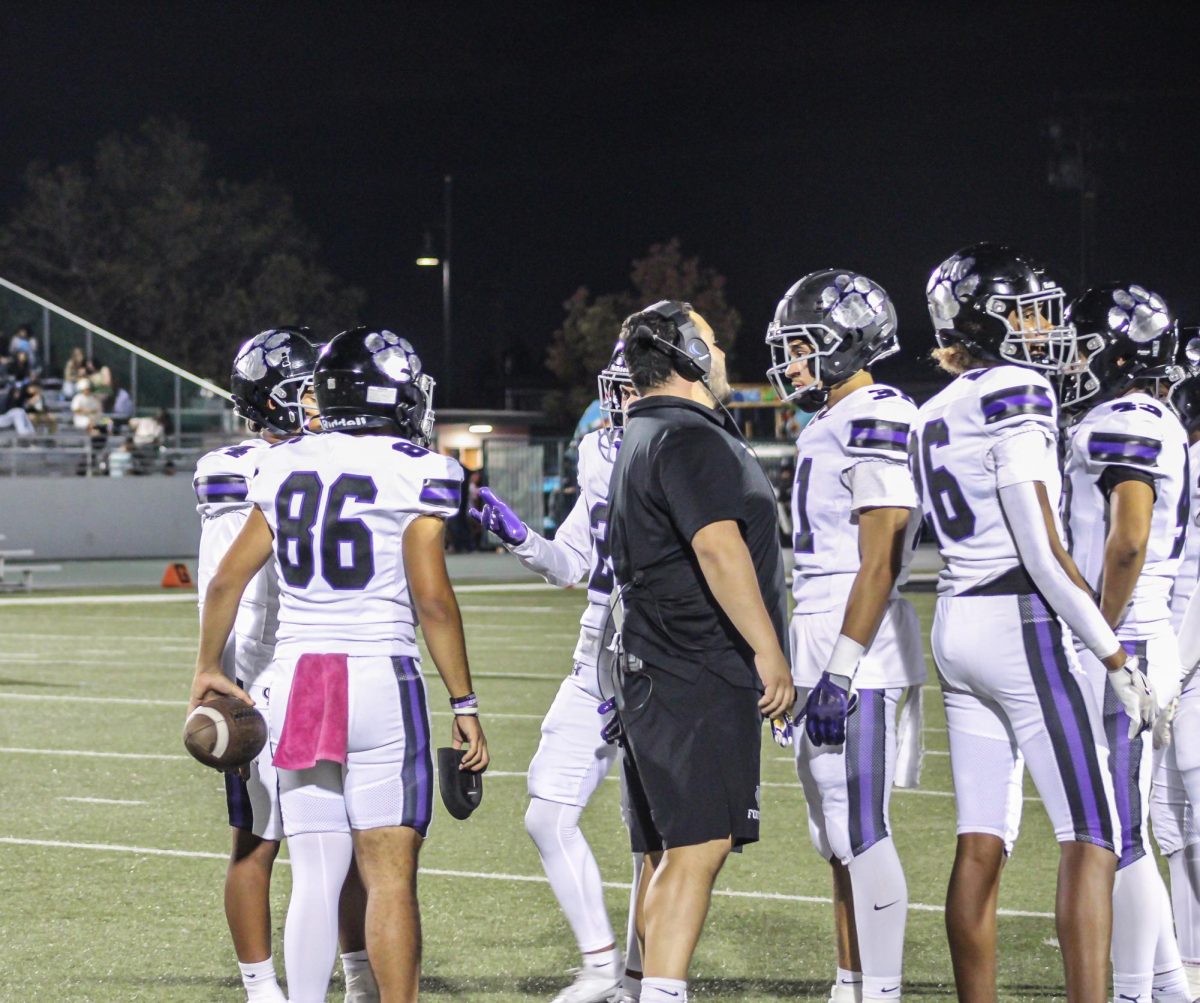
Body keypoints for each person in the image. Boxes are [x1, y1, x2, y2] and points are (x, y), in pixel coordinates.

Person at [190, 327, 488, 1003]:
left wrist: (207, 667)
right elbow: (434, 603)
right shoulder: (420, 468)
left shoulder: (279, 463)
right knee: (387, 873)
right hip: (379, 672)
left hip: (299, 676)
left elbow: (225, 583)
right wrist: (464, 703)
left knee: (317, 872)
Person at [917, 243, 1154, 1002]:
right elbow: (1042, 547)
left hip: (955, 620)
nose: (1040, 324)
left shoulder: (933, 408)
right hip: (1017, 616)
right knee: (1095, 830)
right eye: (1024, 307)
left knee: (982, 836)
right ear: (991, 317)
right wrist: (1116, 657)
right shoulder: (1016, 388)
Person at [606, 301, 794, 1003]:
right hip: (694, 667)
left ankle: (645, 989)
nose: (719, 354)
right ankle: (660, 992)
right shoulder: (687, 436)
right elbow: (718, 547)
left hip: (657, 668)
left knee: (669, 854)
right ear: (686, 353)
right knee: (697, 848)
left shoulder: (644, 431)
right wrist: (769, 650)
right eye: (710, 342)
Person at [192, 327, 375, 1003]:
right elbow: (224, 586)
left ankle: (356, 969)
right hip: (266, 674)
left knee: (352, 831)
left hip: (328, 669)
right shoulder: (236, 469)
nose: (319, 402)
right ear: (270, 401)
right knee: (258, 837)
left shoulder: (329, 456)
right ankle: (263, 986)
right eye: (305, 390)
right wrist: (225, 685)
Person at [765, 271, 925, 1003]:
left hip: (856, 643)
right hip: (819, 633)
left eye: (801, 348)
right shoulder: (829, 418)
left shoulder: (878, 409)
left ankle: (881, 992)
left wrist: (841, 668)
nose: (791, 364)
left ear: (842, 344)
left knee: (861, 824)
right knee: (830, 829)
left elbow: (882, 556)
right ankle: (849, 981)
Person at [469, 341, 643, 1003]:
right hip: (598, 647)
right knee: (548, 812)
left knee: (647, 832)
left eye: (634, 386)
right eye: (618, 386)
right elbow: (575, 560)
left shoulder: (690, 447)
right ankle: (604, 966)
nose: (619, 401)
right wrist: (523, 540)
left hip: (658, 655)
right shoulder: (600, 451)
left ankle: (640, 980)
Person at [1057, 283, 1191, 1002]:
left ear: (1113, 350)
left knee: (1118, 834)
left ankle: (1137, 991)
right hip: (1146, 631)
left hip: (1128, 637)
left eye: (1080, 344)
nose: (1069, 358)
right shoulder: (1155, 413)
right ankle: (1168, 984)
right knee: (1125, 824)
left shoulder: (1124, 417)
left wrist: (1096, 631)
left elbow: (1129, 538)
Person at [1161, 374, 1200, 996]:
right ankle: (1189, 962)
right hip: (1172, 650)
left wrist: (1176, 670)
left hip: (1186, 655)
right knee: (1167, 818)